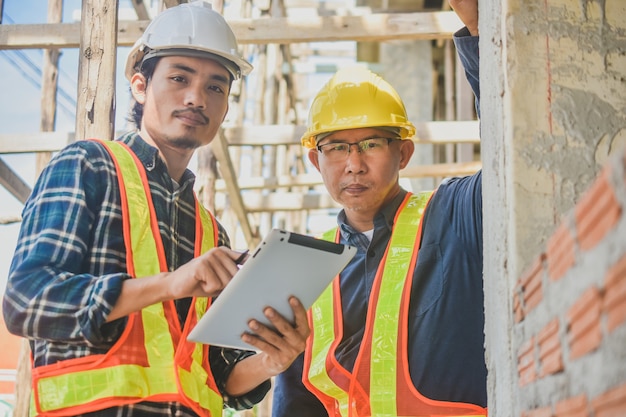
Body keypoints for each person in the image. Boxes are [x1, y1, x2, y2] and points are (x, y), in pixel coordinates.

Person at [2, 2, 309, 416]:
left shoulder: (211, 233)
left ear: (225, 107)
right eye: (179, 78)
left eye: (216, 87)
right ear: (140, 86)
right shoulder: (88, 167)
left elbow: (215, 377)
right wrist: (169, 284)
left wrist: (272, 361)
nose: (196, 97)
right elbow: (28, 301)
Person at [272, 1, 484, 416]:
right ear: (316, 161)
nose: (354, 164)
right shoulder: (303, 270)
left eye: (371, 144)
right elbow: (296, 402)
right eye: (336, 147)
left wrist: (478, 31)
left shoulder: (454, 216)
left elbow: (512, 160)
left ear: (403, 153)